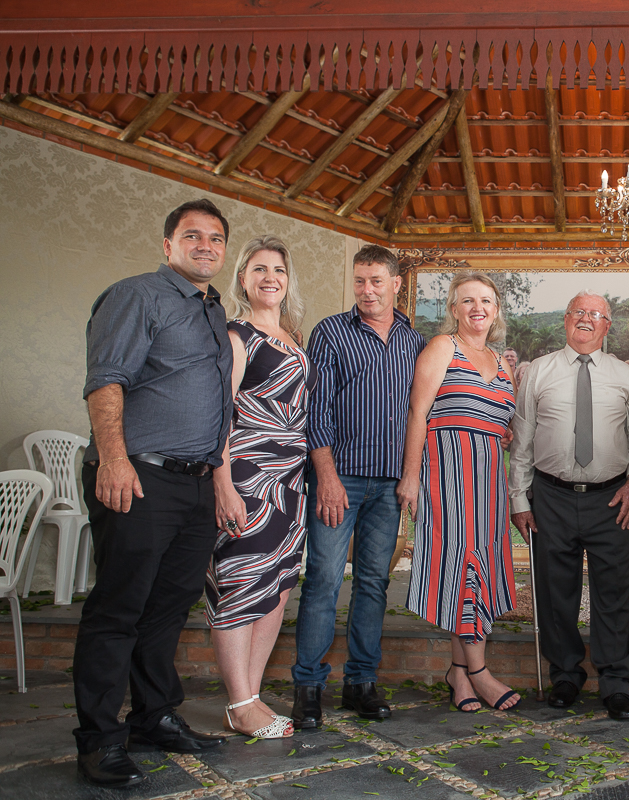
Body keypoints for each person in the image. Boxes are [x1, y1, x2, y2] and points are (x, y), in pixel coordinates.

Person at [75, 199, 233, 787]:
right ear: (168, 245)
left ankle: (154, 717)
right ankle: (99, 739)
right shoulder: (137, 295)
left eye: (215, 238)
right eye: (192, 236)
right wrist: (114, 459)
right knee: (118, 609)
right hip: (140, 476)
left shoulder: (212, 310)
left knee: (167, 610)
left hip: (194, 484)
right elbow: (105, 379)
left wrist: (215, 480)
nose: (205, 246)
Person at [290, 245, 425, 728]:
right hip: (340, 479)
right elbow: (316, 410)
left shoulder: (414, 341)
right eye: (360, 281)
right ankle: (308, 687)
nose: (367, 291)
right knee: (323, 580)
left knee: (373, 583)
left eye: (376, 281)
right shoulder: (331, 332)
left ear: (395, 284)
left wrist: (410, 475)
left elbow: (421, 412)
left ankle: (361, 684)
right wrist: (325, 477)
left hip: (388, 484)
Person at [509, 292, 629, 721]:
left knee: (613, 593)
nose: (586, 319)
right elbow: (523, 440)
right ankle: (565, 675)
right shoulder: (539, 371)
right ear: (565, 320)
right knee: (555, 594)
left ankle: (615, 682)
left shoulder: (626, 377)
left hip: (612, 498)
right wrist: (519, 499)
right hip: (551, 497)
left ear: (607, 326)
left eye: (596, 314)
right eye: (579, 312)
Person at [205, 235, 311, 740]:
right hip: (247, 478)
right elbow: (219, 416)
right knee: (240, 584)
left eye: (279, 270)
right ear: (243, 279)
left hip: (290, 482)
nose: (271, 278)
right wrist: (223, 485)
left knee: (276, 588)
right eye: (260, 269)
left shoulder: (291, 335)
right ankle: (240, 702)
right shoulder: (237, 335)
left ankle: (249, 697)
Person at [399, 273, 520, 713]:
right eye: (467, 301)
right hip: (448, 474)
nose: (477, 308)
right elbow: (418, 413)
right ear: (454, 309)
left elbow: (502, 421)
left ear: (496, 310)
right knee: (462, 567)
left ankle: (458, 673)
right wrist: (411, 477)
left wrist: (503, 433)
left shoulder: (502, 362)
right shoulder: (442, 347)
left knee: (477, 568)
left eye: (485, 300)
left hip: (489, 481)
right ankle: (480, 672)